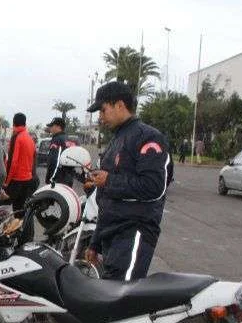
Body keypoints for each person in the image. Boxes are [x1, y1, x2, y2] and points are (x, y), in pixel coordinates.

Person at [83, 81, 172, 281]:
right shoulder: (116, 140)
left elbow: (154, 187)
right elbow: (106, 199)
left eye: (103, 110)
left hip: (134, 233)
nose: (101, 117)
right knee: (108, 298)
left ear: (120, 105)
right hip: (112, 236)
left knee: (121, 299)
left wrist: (109, 180)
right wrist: (95, 242)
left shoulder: (148, 137)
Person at [3, 113, 37, 211]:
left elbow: (12, 162)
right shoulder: (30, 139)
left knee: (0, 209)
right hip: (28, 180)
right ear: (25, 123)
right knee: (20, 211)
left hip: (16, 180)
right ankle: (21, 226)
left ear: (13, 123)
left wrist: (6, 182)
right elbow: (33, 160)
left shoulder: (16, 137)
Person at [44, 117, 72, 185]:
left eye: (52, 126)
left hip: (57, 180)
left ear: (58, 127)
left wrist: (51, 179)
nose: (50, 128)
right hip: (67, 178)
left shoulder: (57, 140)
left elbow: (55, 161)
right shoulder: (67, 138)